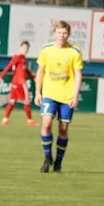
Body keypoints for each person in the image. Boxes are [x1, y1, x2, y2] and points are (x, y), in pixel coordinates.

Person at [33, 20, 84, 173]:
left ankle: (58, 163)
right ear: (54, 34)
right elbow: (40, 71)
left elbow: (78, 75)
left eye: (65, 33)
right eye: (59, 33)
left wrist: (75, 95)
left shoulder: (74, 51)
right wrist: (37, 92)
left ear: (68, 35)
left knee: (63, 128)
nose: (62, 36)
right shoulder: (46, 50)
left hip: (67, 96)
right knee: (46, 123)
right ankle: (47, 157)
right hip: (49, 94)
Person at [0, 40, 35, 126]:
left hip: (15, 83)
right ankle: (30, 121)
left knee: (12, 101)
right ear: (20, 48)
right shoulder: (17, 57)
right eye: (24, 47)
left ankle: (5, 119)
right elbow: (9, 66)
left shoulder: (23, 59)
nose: (25, 49)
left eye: (26, 48)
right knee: (27, 100)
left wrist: (33, 77)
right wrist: (0, 77)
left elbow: (26, 70)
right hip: (21, 83)